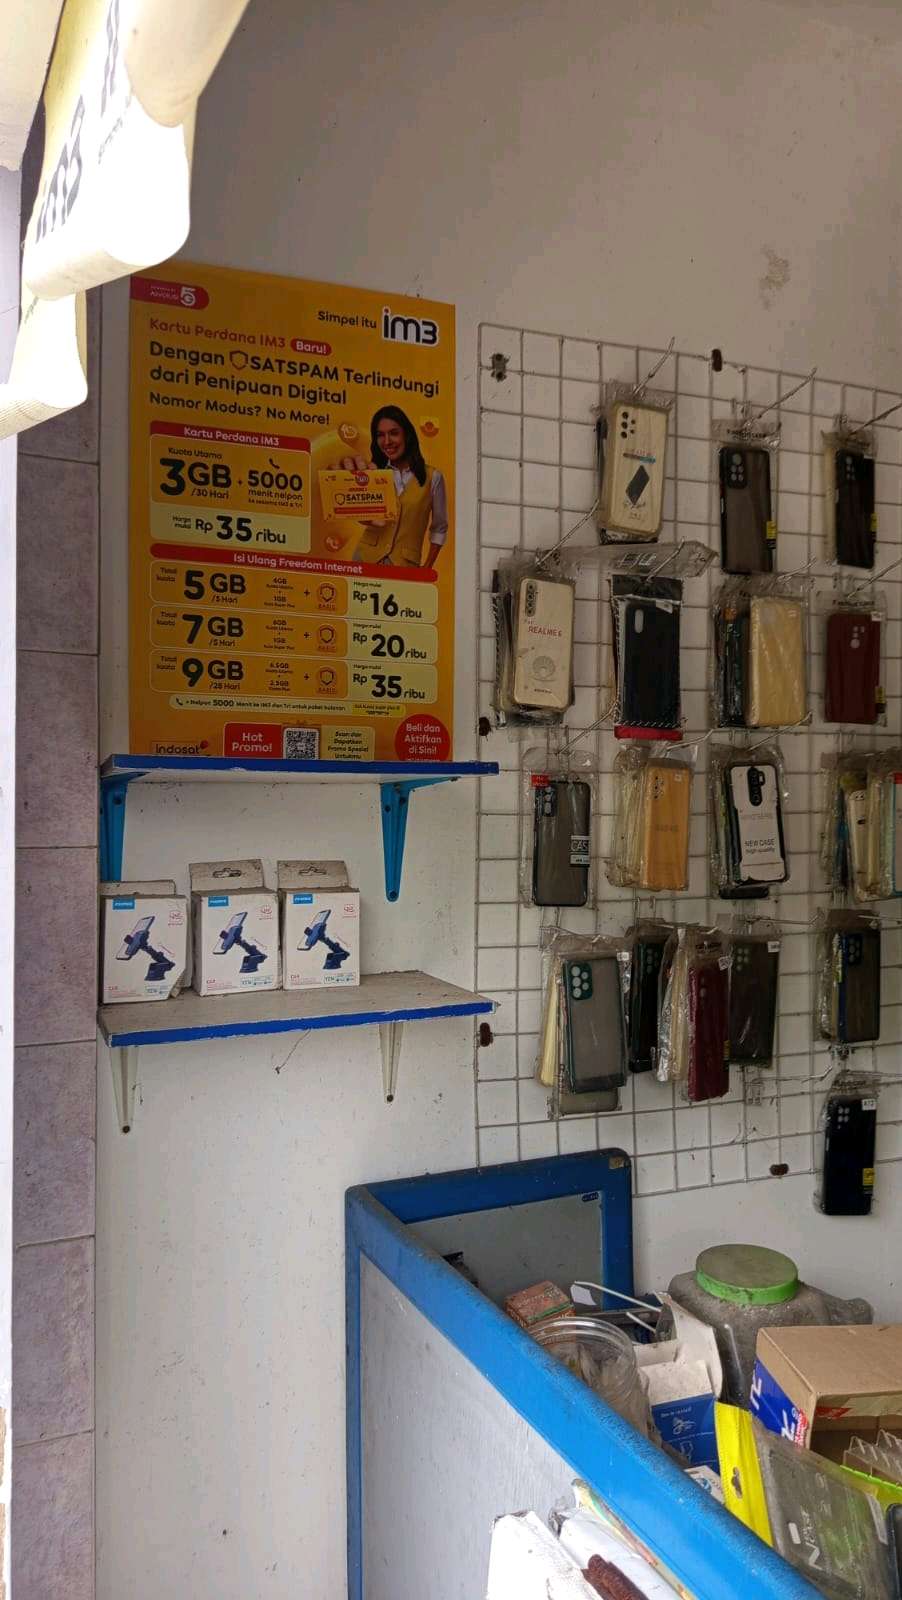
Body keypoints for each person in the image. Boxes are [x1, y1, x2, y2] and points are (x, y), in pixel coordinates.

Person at [336, 405, 448, 569]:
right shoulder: (373, 472)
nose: (387, 441)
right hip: (365, 558)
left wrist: (427, 567)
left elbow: (439, 527)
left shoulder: (433, 477)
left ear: (407, 435)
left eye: (394, 433)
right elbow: (360, 514)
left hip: (405, 565)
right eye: (380, 435)